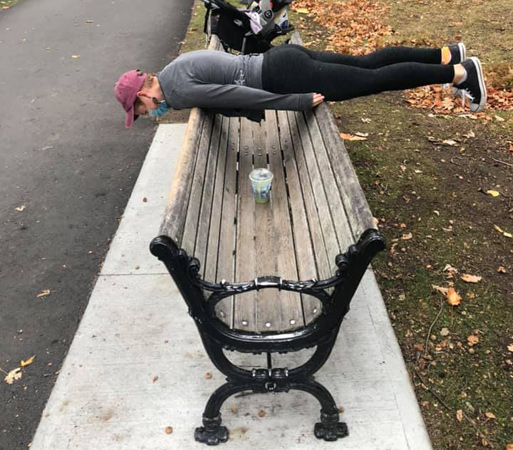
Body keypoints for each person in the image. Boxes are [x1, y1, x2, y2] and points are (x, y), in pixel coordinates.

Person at [114, 42, 486, 128]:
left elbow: (235, 94)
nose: (148, 114)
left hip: (286, 77)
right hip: (281, 58)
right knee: (367, 63)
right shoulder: (174, 68)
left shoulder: (178, 90)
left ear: (144, 94)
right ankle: (447, 54)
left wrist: (297, 101)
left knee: (373, 78)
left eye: (141, 110)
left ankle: (460, 73)